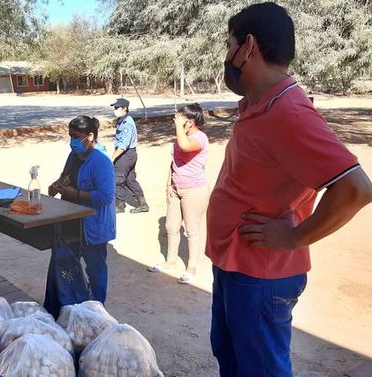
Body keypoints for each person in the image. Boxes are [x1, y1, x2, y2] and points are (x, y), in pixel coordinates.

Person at [207, 3, 372, 376]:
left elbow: (356, 189)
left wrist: (294, 237)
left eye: (228, 44)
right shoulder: (258, 105)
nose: (226, 55)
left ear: (247, 47)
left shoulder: (288, 113)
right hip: (236, 265)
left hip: (261, 277)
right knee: (233, 361)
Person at [44, 116, 116, 317]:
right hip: (71, 223)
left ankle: (98, 312)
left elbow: (105, 196)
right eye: (70, 136)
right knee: (67, 267)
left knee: (95, 269)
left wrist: (72, 193)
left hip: (92, 226)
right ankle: (69, 308)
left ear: (90, 136)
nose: (72, 141)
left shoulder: (101, 162)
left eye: (76, 137)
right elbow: (65, 177)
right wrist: (56, 185)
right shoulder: (73, 156)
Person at [149, 103, 209, 284]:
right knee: (171, 227)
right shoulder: (179, 137)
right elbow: (173, 162)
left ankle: (191, 267)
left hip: (194, 190)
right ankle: (170, 261)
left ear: (190, 122)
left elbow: (185, 147)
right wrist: (168, 184)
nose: (177, 122)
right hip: (176, 189)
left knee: (192, 230)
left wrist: (178, 126)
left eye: (182, 119)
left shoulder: (200, 138)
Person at [110, 98, 149, 214]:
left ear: (125, 108)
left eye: (117, 108)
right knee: (130, 180)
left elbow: (123, 146)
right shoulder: (122, 120)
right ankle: (143, 204)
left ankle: (120, 205)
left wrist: (112, 157)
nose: (115, 110)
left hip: (125, 155)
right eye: (115, 108)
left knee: (118, 180)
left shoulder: (127, 123)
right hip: (130, 154)